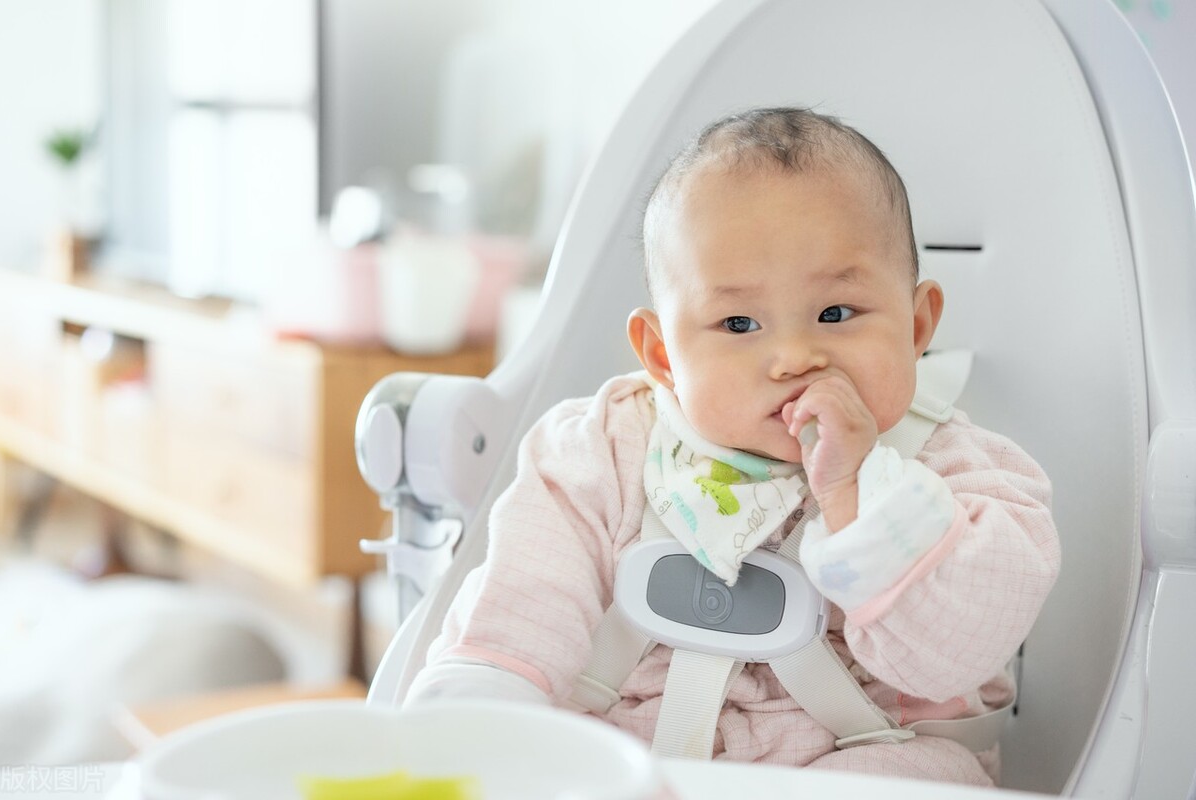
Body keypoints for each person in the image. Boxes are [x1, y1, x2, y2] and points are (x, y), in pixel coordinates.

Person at [406, 107, 1060, 786]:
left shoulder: (969, 480)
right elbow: (520, 612)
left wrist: (859, 494)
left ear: (917, 325)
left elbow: (955, 650)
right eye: (739, 322)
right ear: (662, 355)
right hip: (627, 765)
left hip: (859, 762)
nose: (795, 357)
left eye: (836, 314)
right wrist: (474, 727)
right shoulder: (598, 452)